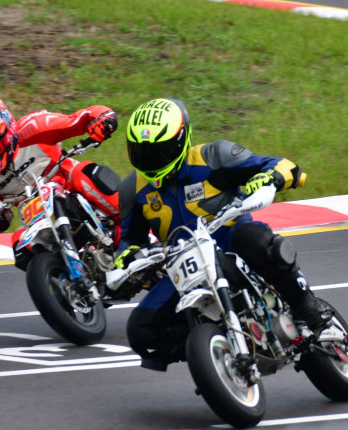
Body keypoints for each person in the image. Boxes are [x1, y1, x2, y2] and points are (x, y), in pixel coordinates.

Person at [115, 97, 333, 371]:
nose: (148, 160)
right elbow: (130, 238)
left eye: (158, 151)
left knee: (254, 237)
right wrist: (126, 257)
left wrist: (270, 178)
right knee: (140, 330)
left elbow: (279, 165)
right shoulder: (132, 188)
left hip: (229, 241)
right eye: (140, 152)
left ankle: (306, 305)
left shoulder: (214, 156)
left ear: (181, 140)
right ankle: (214, 351)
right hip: (184, 264)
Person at [0, 96, 121, 269]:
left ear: (6, 135)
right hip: (38, 218)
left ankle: (129, 223)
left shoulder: (33, 127)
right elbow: (2, 212)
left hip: (70, 191)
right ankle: (67, 280)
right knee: (19, 245)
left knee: (83, 173)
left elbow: (81, 118)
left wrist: (104, 117)